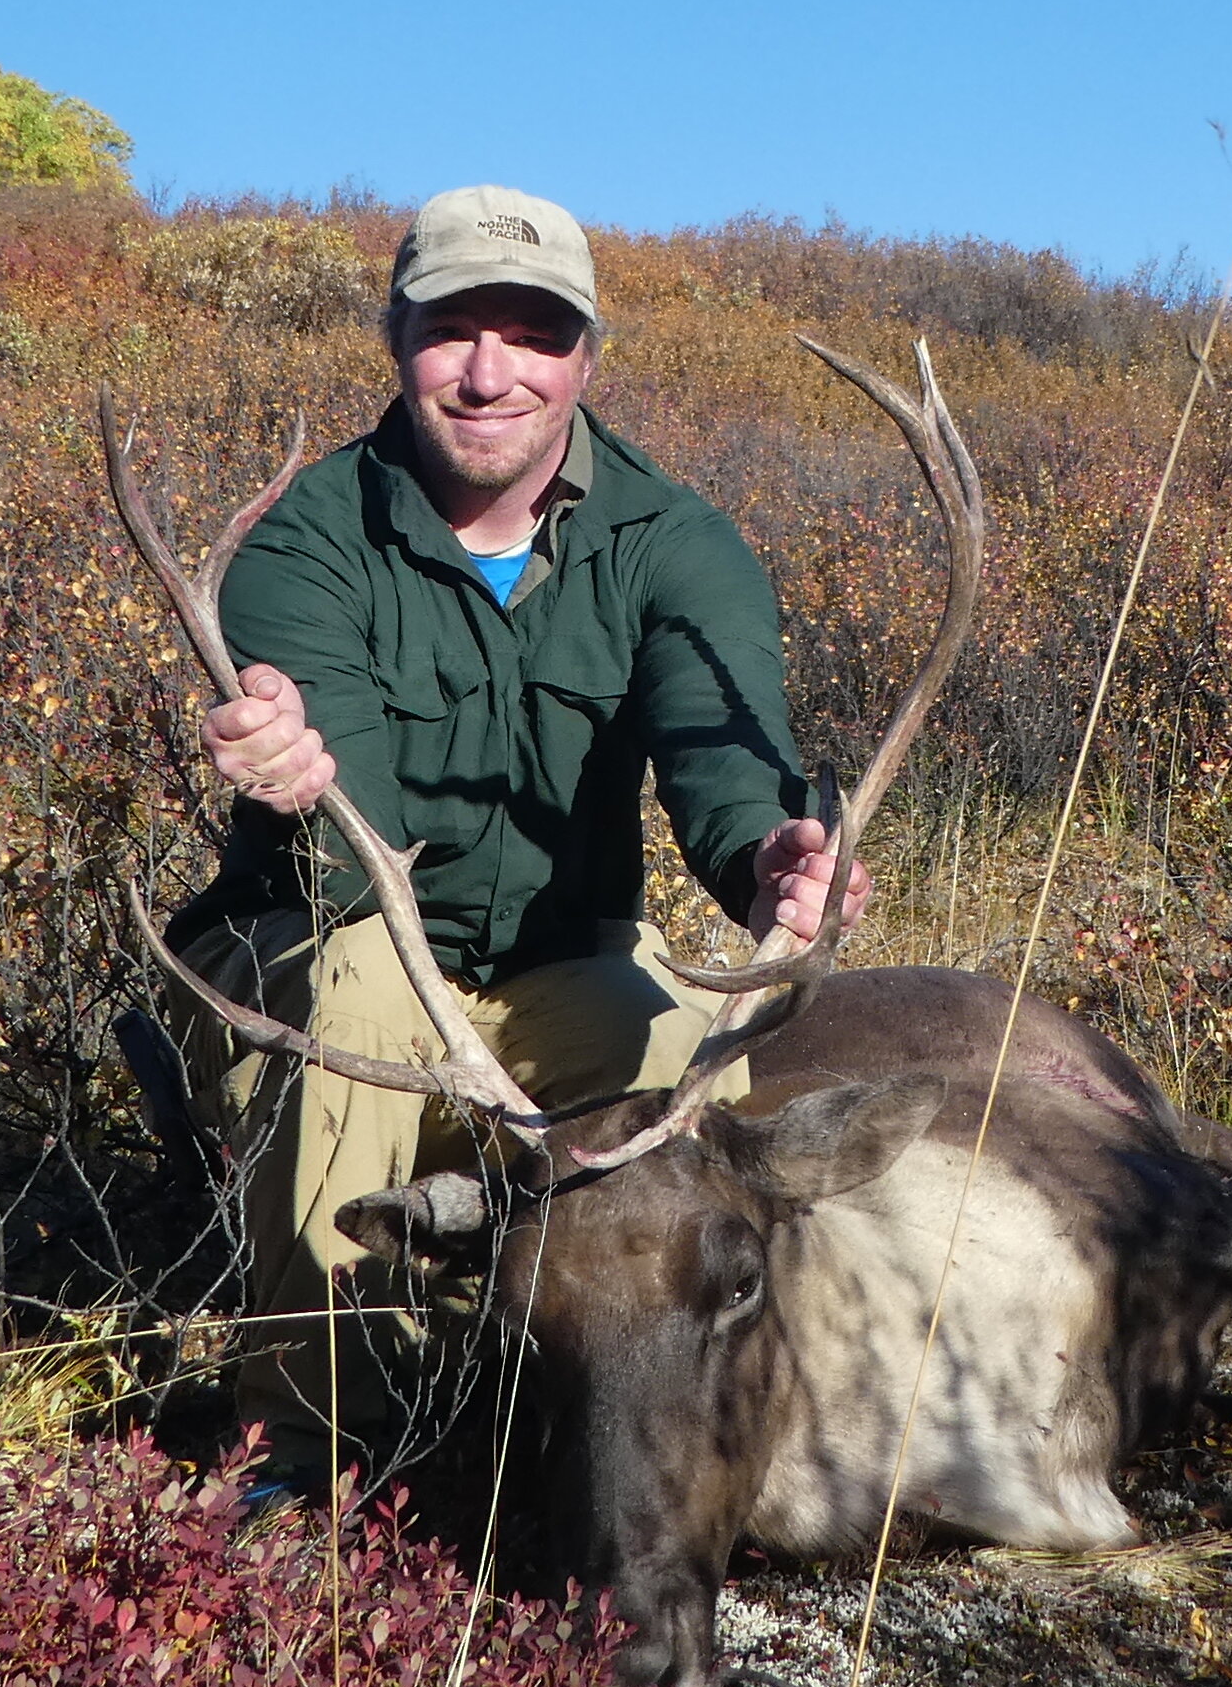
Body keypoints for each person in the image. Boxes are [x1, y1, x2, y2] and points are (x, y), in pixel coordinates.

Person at [169, 183, 864, 1447]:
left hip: (557, 971)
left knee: (686, 1039)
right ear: (396, 339)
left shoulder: (675, 543)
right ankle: (314, 1441)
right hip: (333, 958)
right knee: (361, 990)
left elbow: (727, 766)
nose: (491, 375)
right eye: (452, 330)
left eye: (536, 335)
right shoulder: (305, 543)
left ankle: (649, 1419)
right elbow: (349, 856)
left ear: (587, 357)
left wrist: (773, 858)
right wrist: (284, 766)